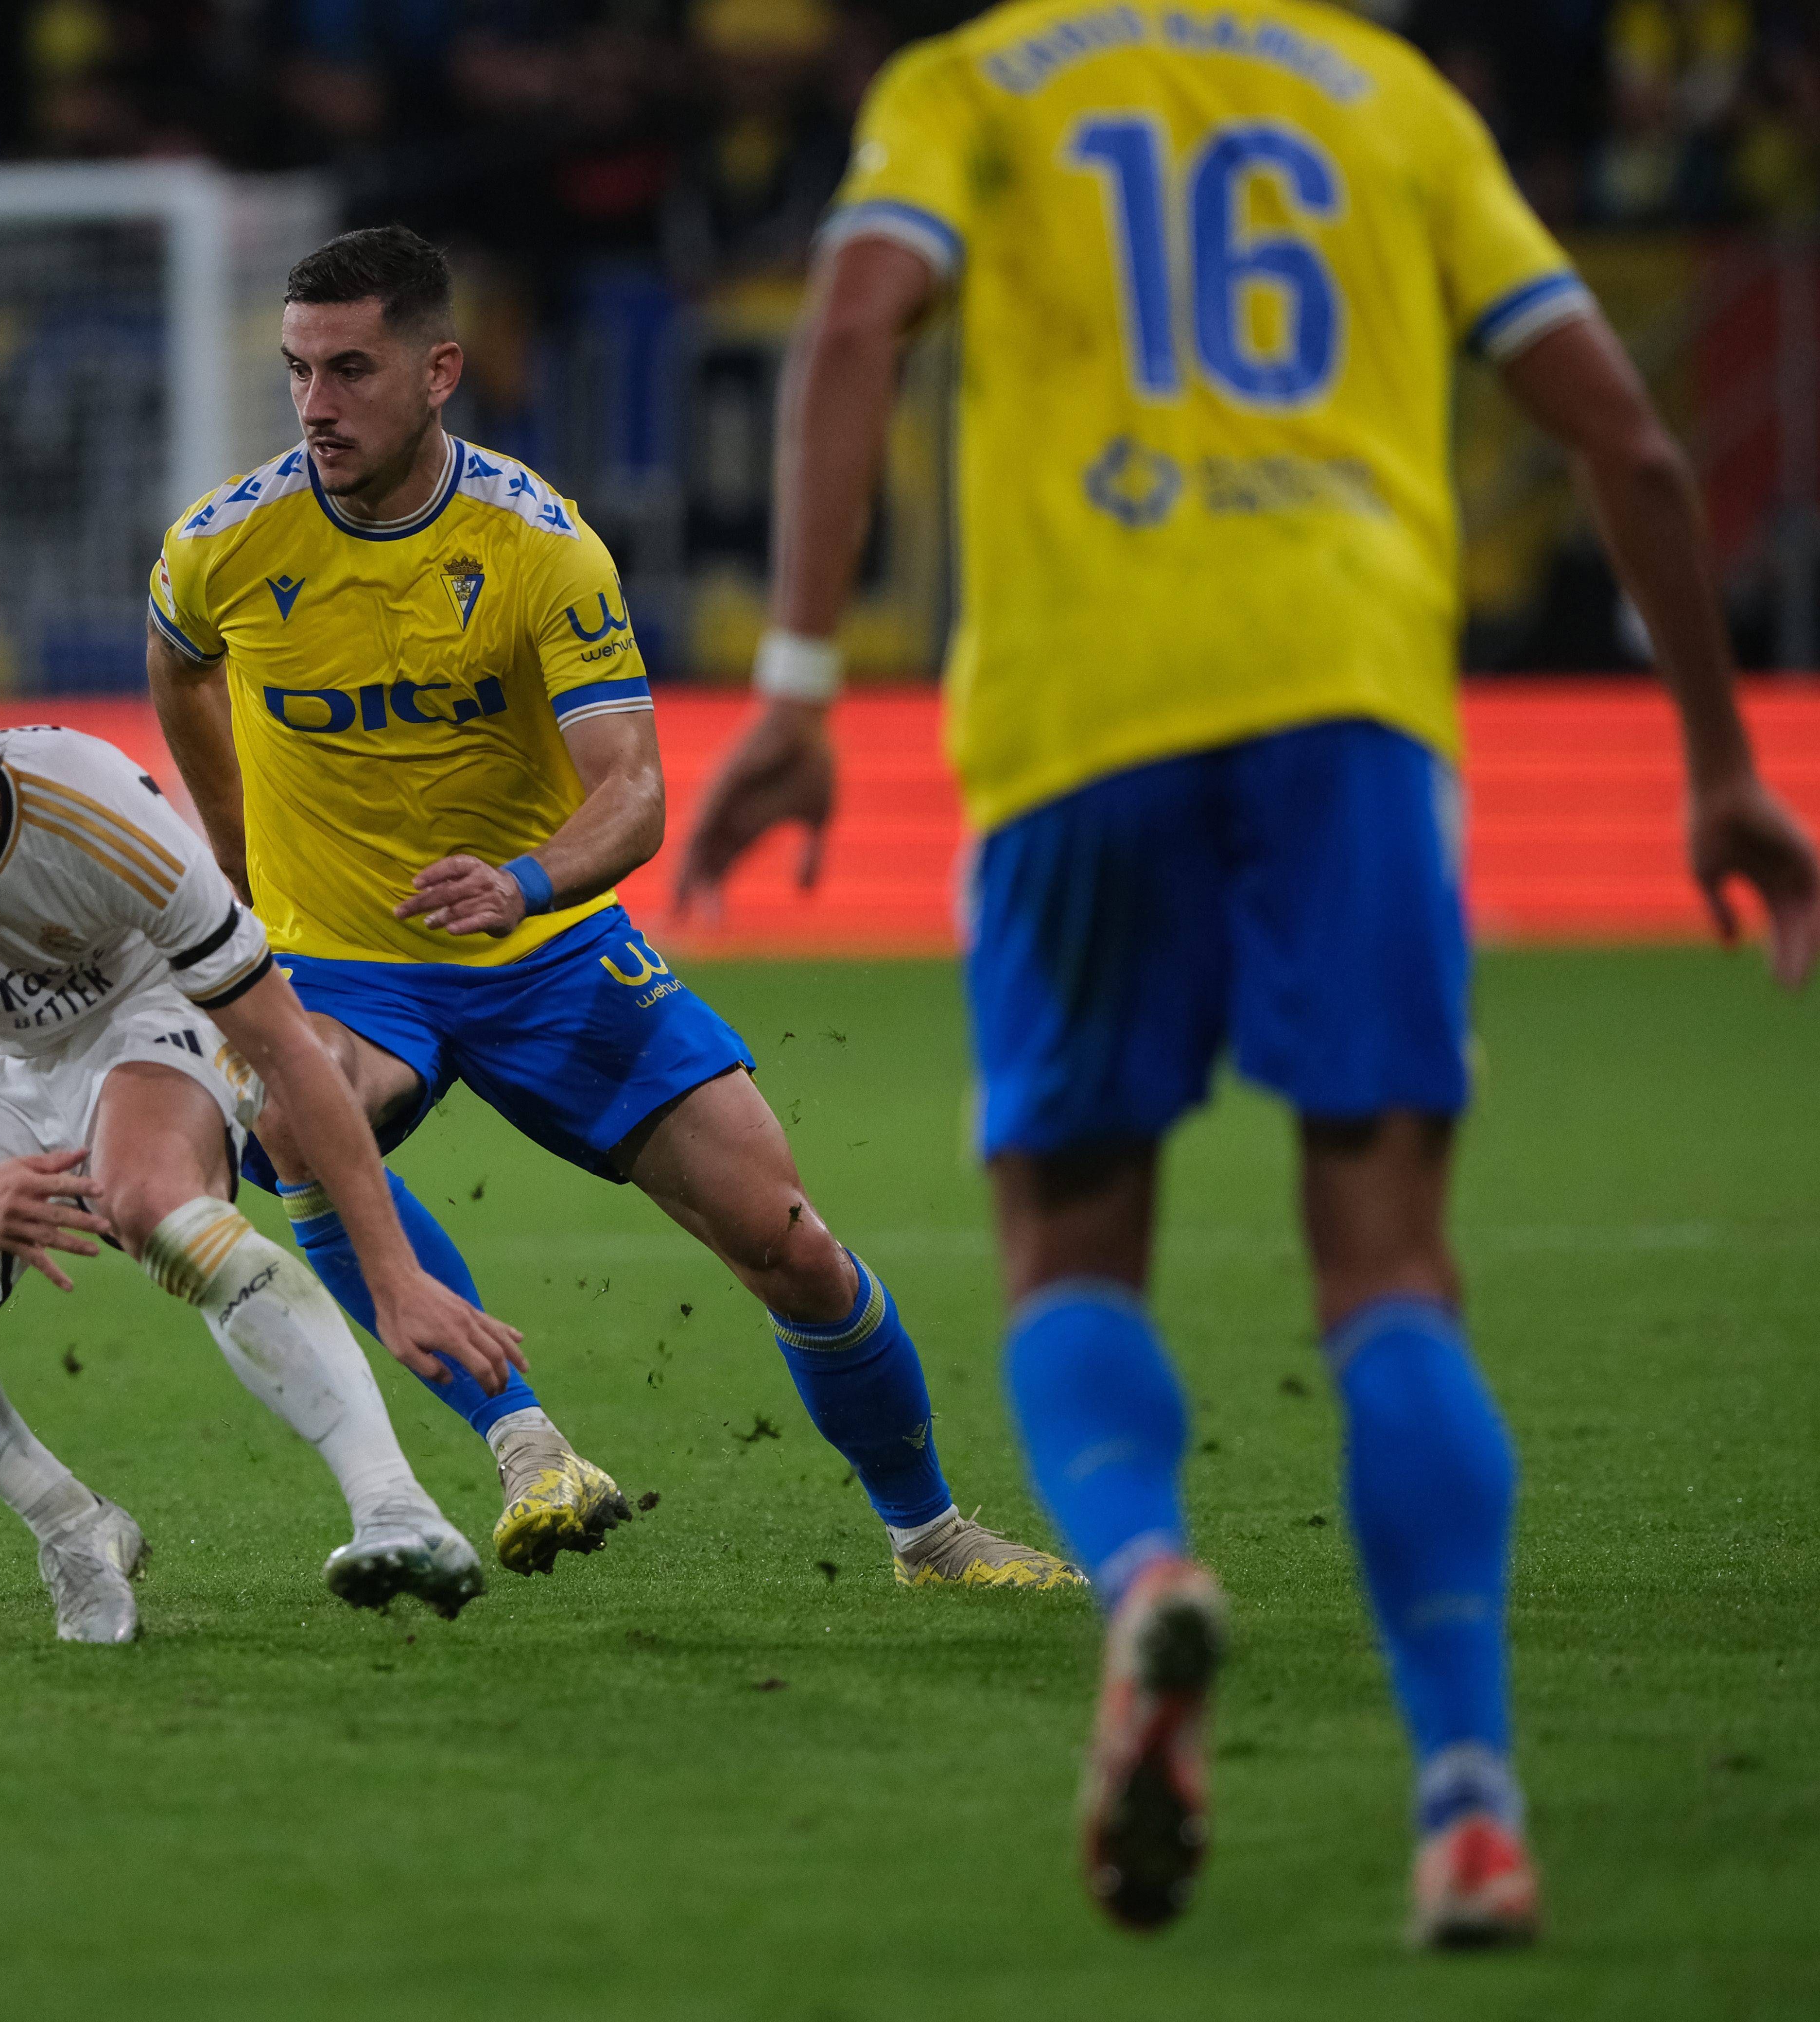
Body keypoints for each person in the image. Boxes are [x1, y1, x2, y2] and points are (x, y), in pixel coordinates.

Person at [675, 0, 1820, 1948]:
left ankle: (1147, 1576)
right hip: (1349, 712)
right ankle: (1471, 1804)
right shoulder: (1392, 96)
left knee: (1069, 1247)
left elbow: (854, 325)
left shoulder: (979, 82)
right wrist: (1719, 762)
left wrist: (795, 682)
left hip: (1080, 724)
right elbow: (1627, 436)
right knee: (1389, 1272)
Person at [145, 224, 1077, 1592]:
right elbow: (179, 664)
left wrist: (523, 882)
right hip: (346, 964)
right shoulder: (224, 544)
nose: (315, 405)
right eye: (297, 370)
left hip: (552, 954)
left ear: (440, 370)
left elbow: (634, 793)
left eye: (350, 371)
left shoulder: (538, 546)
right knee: (295, 1111)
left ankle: (929, 1534)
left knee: (787, 1242)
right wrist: (238, 861)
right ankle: (528, 1447)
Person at [0, 630, 520, 1643]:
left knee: (151, 1201)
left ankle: (395, 1507)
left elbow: (289, 1049)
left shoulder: (89, 808)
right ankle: (72, 1526)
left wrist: (393, 1274)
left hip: (147, 1013)